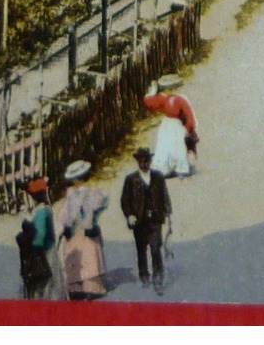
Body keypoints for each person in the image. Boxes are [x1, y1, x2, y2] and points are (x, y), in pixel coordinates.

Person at [120, 147, 171, 293]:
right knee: (141, 250)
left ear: (150, 161)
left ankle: (158, 280)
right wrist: (130, 215)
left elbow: (165, 196)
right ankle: (144, 276)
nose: (144, 163)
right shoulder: (131, 179)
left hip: (155, 220)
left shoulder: (158, 177)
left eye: (146, 160)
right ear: (137, 162)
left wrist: (168, 214)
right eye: (141, 160)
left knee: (156, 250)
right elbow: (125, 200)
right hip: (139, 222)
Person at [56, 160, 109, 299]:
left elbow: (68, 214)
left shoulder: (75, 194)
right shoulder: (94, 191)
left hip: (76, 230)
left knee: (80, 256)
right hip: (87, 229)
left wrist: (65, 225)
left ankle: (80, 288)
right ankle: (92, 287)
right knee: (89, 256)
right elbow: (102, 204)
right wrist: (92, 220)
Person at [142, 75, 197, 177]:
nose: (168, 91)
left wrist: (189, 127)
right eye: (167, 89)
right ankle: (165, 168)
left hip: (176, 125)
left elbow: (188, 114)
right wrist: (152, 92)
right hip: (168, 125)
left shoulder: (179, 100)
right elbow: (149, 103)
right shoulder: (164, 99)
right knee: (165, 145)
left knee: (177, 145)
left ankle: (179, 168)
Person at [17, 177, 59, 300]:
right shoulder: (47, 208)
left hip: (43, 251)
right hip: (51, 247)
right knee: (53, 280)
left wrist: (35, 246)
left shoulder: (40, 211)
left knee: (43, 282)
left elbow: (40, 233)